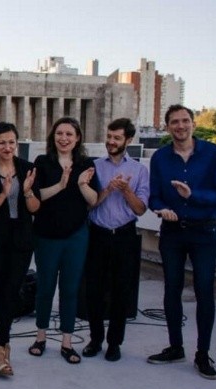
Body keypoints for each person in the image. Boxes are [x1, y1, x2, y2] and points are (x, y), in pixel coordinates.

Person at [147, 104, 216, 379]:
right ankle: (175, 347)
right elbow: (154, 196)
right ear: (167, 126)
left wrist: (191, 195)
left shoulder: (212, 153)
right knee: (172, 289)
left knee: (204, 290)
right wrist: (161, 209)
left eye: (185, 121)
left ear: (193, 124)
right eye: (174, 122)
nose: (180, 126)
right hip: (172, 232)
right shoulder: (160, 158)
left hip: (203, 232)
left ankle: (202, 354)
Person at [28, 117, 99, 364]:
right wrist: (60, 185)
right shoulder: (42, 162)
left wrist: (80, 184)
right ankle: (40, 336)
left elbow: (93, 200)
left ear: (77, 138)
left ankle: (67, 342)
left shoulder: (86, 164)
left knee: (70, 289)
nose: (64, 138)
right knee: (45, 288)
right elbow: (36, 197)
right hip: (46, 235)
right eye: (59, 133)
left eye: (69, 134)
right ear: (53, 136)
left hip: (76, 236)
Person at [82, 118, 149, 362]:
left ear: (128, 141)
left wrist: (126, 190)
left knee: (122, 291)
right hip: (98, 234)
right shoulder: (95, 166)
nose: (111, 142)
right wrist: (108, 189)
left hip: (124, 235)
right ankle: (95, 339)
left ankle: (114, 342)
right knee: (94, 290)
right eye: (109, 137)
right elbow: (89, 204)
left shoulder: (140, 171)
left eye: (117, 138)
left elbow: (141, 209)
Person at [0, 122, 39, 377]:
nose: (7, 147)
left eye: (11, 142)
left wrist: (25, 192)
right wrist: (3, 194)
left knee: (12, 291)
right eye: (2, 142)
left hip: (22, 239)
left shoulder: (27, 169)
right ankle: (2, 348)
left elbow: (35, 208)